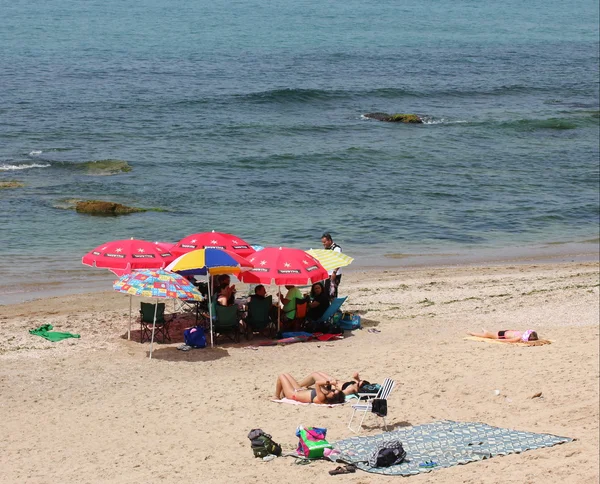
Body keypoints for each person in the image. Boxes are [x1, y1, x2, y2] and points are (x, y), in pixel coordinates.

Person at [274, 373, 345, 404]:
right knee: (286, 374)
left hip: (293, 395)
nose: (332, 391)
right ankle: (282, 394)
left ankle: (276, 396)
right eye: (333, 391)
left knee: (281, 376)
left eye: (333, 393)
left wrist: (329, 382)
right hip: (299, 390)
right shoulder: (326, 394)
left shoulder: (322, 398)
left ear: (332, 398)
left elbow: (317, 383)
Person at [321, 232, 342, 300]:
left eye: (324, 242)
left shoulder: (336, 248)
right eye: (322, 242)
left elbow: (339, 261)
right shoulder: (327, 249)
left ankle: (335, 308)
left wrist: (334, 272)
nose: (323, 244)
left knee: (333, 292)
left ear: (329, 240)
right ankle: (329, 308)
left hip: (335, 274)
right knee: (326, 292)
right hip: (328, 273)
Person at [468, 329, 539, 343]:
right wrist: (497, 340)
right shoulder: (519, 337)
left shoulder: (522, 333)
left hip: (505, 332)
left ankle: (485, 330)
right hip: (502, 336)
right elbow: (508, 341)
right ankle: (471, 333)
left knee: (489, 334)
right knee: (486, 335)